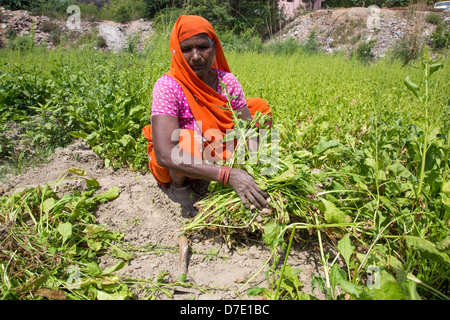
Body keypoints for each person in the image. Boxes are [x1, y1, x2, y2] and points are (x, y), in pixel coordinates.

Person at [142, 15, 272, 216]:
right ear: (176, 51)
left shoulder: (226, 81)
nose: (195, 56)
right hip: (182, 160)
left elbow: (246, 128)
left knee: (259, 110)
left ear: (214, 46)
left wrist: (259, 166)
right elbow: (165, 153)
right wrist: (228, 176)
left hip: (216, 148)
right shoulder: (168, 86)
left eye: (202, 47)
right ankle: (180, 189)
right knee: (187, 141)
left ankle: (258, 171)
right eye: (186, 49)